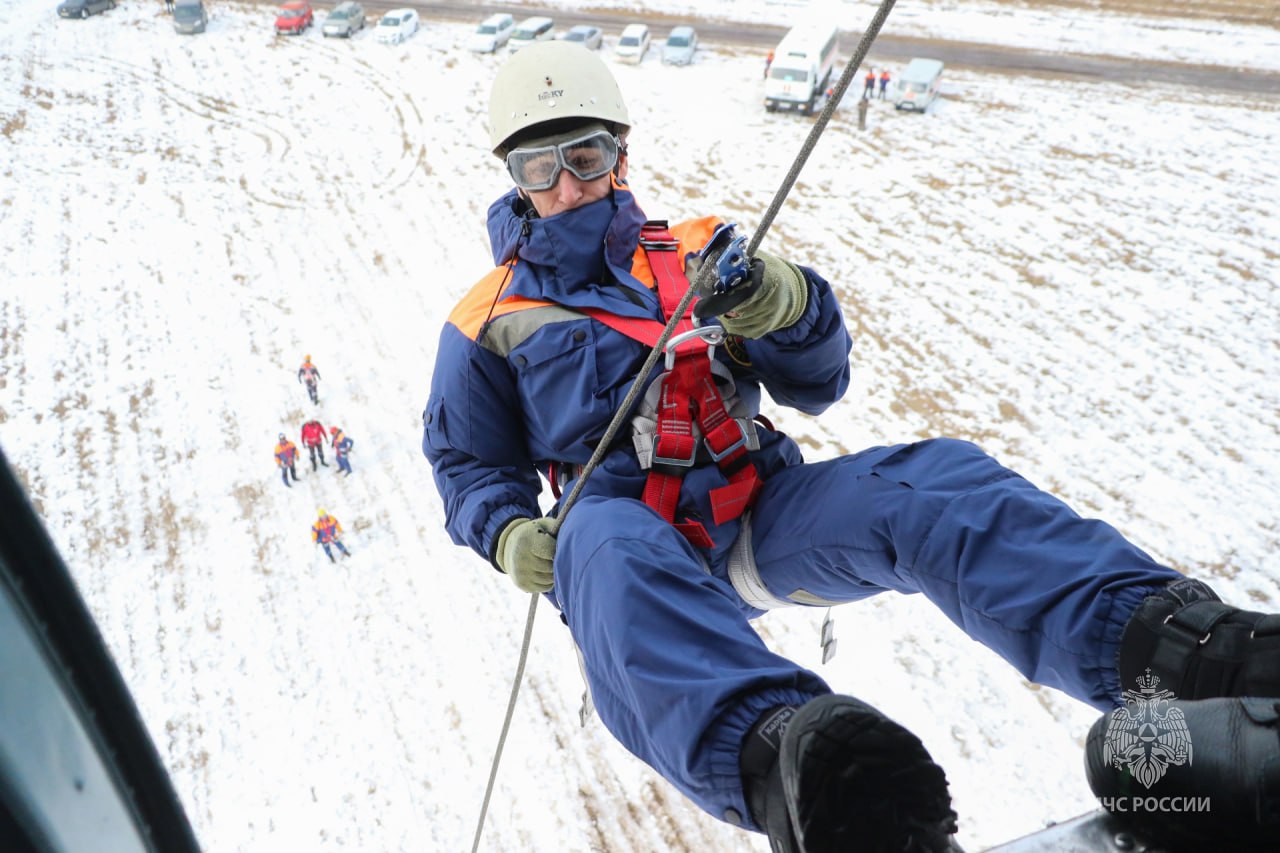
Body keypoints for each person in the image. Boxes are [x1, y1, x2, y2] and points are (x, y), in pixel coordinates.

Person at [421, 42, 1280, 852]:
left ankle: (1185, 657)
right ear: (516, 182)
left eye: (585, 156)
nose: (568, 186)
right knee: (602, 548)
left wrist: (784, 307)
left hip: (756, 508)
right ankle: (801, 771)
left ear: (621, 155)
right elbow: (468, 463)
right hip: (633, 538)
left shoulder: (695, 254)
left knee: (929, 485)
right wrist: (505, 532)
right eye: (541, 169)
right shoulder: (485, 321)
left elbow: (818, 379)